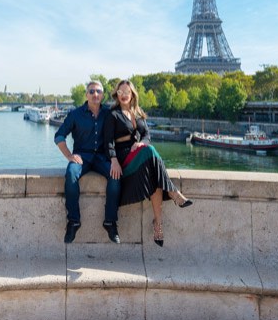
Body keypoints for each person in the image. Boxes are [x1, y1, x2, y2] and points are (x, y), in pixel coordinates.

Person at [104, 79, 192, 247]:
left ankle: (158, 223)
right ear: (117, 94)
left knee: (153, 172)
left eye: (127, 93)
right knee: (150, 151)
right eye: (120, 92)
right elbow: (108, 142)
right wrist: (114, 160)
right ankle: (173, 192)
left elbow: (147, 136)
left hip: (140, 153)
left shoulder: (138, 113)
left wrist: (141, 143)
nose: (123, 95)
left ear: (132, 95)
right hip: (124, 157)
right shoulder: (112, 114)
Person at [54, 80, 121, 244]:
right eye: (91, 91)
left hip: (102, 158)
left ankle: (110, 222)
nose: (95, 94)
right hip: (81, 157)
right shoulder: (75, 114)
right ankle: (73, 221)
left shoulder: (109, 113)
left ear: (103, 95)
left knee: (116, 176)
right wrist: (70, 156)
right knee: (71, 174)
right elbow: (59, 137)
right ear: (86, 95)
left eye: (98, 91)